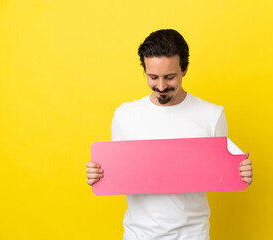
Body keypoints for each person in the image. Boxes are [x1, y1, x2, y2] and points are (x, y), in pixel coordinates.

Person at [86, 29, 253, 239]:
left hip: (192, 234)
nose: (161, 86)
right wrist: (99, 174)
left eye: (170, 77)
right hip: (138, 235)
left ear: (184, 69)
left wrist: (240, 173)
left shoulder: (212, 115)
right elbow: (119, 172)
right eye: (153, 77)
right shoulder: (125, 115)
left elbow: (224, 172)